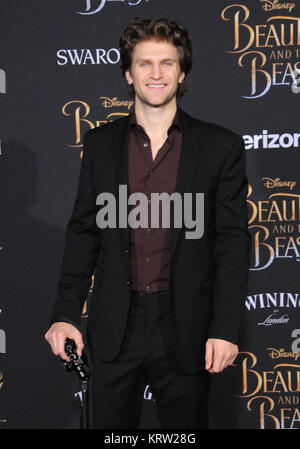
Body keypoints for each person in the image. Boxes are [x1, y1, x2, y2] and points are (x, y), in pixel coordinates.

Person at [45, 17, 251, 429]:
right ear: (128, 73)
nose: (156, 74)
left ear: (182, 72)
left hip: (187, 327)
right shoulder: (100, 144)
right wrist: (66, 313)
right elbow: (84, 232)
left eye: (167, 63)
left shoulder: (220, 146)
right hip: (113, 324)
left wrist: (225, 328)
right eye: (144, 64)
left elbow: (232, 242)